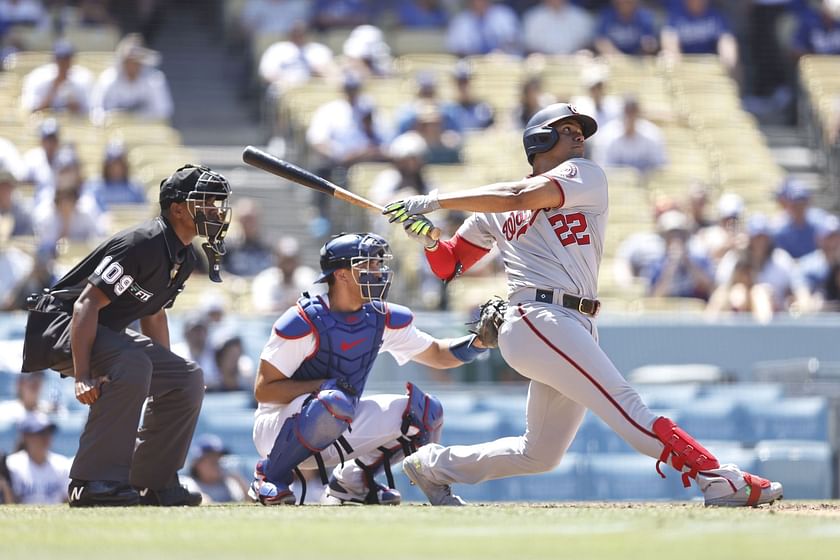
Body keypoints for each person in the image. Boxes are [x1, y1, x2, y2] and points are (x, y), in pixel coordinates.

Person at [382, 102, 783, 507]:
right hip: (540, 317)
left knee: (538, 454)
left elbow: (519, 195)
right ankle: (716, 478)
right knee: (627, 407)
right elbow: (451, 263)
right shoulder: (497, 208)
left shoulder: (582, 175)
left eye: (581, 131)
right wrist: (431, 240)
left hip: (572, 321)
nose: (579, 136)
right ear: (540, 139)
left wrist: (436, 199)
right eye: (568, 129)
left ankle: (434, 465)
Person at [20, 164, 233, 507]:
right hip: (59, 326)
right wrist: (83, 374)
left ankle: (153, 482)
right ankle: (91, 482)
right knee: (132, 362)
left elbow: (153, 311)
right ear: (178, 209)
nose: (216, 211)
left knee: (188, 378)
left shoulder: (186, 255)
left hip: (103, 333)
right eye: (206, 203)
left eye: (217, 203)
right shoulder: (143, 243)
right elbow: (84, 305)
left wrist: (165, 374)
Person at [250, 232, 488, 506]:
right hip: (276, 429)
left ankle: (353, 482)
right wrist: (320, 386)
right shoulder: (305, 320)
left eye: (378, 264)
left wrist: (481, 341)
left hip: (336, 417)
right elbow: (263, 391)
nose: (378, 272)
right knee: (333, 400)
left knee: (425, 413)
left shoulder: (379, 318)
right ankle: (269, 477)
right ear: (341, 275)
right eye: (368, 265)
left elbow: (438, 354)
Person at [90, 33, 173, 123]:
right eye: (128, 61)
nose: (132, 65)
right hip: (113, 131)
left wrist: (137, 117)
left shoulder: (154, 80)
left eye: (136, 61)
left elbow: (164, 111)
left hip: (144, 131)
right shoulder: (108, 79)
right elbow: (95, 108)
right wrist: (110, 117)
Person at [5, 412, 72, 504]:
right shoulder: (11, 465)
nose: (45, 437)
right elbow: (8, 502)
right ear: (25, 436)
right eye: (40, 433)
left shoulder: (62, 464)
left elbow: (68, 501)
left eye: (48, 432)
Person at [593, 96, 667, 173]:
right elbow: (602, 169)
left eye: (633, 111)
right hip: (615, 183)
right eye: (627, 111)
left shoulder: (653, 134)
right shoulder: (606, 136)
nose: (630, 116)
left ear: (638, 113)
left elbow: (661, 167)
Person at [21, 40, 93, 115]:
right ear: (54, 59)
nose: (63, 63)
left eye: (67, 59)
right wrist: (54, 88)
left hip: (74, 125)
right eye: (60, 59)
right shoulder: (38, 77)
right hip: (43, 123)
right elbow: (31, 111)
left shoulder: (83, 78)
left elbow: (88, 112)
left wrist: (71, 101)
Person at [250, 236, 318, 313]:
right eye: (285, 261)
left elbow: (319, 306)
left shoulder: (309, 277)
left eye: (292, 260)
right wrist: (287, 304)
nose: (288, 266)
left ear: (298, 260)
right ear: (277, 260)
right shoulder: (265, 280)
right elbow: (260, 308)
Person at [182, 434, 249, 504]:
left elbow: (250, 501)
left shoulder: (230, 483)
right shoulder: (187, 484)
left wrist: (238, 478)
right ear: (197, 463)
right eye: (211, 459)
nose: (217, 463)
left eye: (219, 458)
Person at [83, 142, 147, 210]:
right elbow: (89, 210)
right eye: (112, 165)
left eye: (119, 164)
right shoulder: (95, 187)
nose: (116, 169)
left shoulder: (135, 188)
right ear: (106, 166)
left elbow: (144, 210)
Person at [446, 0, 521, 57]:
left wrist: (500, 52)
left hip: (503, 63)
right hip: (473, 66)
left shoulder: (504, 14)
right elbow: (455, 51)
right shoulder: (460, 21)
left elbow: (514, 42)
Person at [522, 0, 595, 55]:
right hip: (545, 64)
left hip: (574, 64)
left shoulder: (581, 16)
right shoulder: (533, 17)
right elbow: (530, 47)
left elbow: (587, 45)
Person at [594, 0, 659, 56]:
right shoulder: (607, 15)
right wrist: (619, 57)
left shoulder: (644, 16)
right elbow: (601, 41)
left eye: (628, 2)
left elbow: (649, 41)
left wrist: (648, 46)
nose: (624, 3)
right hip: (614, 58)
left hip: (637, 58)